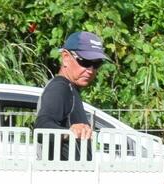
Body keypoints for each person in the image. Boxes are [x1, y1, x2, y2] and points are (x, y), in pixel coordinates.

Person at [34, 31, 109, 160]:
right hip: (64, 177)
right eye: (84, 61)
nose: (91, 70)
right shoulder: (60, 88)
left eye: (97, 64)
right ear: (66, 57)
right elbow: (42, 126)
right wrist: (70, 131)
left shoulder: (70, 88)